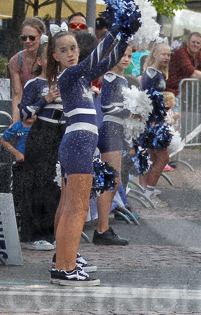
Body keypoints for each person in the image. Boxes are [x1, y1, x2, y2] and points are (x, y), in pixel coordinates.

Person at [50, 20, 133, 286]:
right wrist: (112, 31)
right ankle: (66, 267)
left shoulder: (81, 76)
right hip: (78, 143)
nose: (71, 53)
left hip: (80, 143)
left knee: (70, 207)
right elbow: (95, 58)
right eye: (63, 50)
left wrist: (122, 35)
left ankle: (63, 262)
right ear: (55, 56)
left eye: (73, 48)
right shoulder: (69, 75)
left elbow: (107, 62)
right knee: (77, 208)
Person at [17, 57, 64, 251]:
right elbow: (24, 112)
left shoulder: (65, 80)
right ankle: (32, 234)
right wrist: (45, 100)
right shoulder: (35, 83)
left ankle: (50, 230)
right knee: (38, 182)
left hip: (62, 132)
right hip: (43, 132)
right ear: (40, 60)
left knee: (55, 184)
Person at [93, 44, 133, 246]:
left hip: (117, 130)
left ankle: (104, 227)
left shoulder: (122, 79)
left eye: (129, 55)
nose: (125, 59)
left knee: (115, 181)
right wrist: (129, 111)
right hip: (110, 129)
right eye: (122, 55)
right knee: (110, 181)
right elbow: (106, 105)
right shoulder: (110, 77)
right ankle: (102, 228)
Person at [138, 40, 172, 199]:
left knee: (153, 157)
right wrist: (152, 119)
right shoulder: (151, 73)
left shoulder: (157, 72)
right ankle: (147, 189)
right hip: (153, 122)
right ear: (155, 55)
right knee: (163, 157)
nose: (166, 57)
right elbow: (147, 97)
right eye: (163, 54)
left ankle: (145, 189)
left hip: (155, 120)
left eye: (169, 54)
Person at [9, 17, 46, 123]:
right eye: (24, 38)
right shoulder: (16, 61)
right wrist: (16, 123)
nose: (27, 41)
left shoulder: (51, 59)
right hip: (27, 111)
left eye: (32, 38)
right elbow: (17, 94)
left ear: (42, 37)